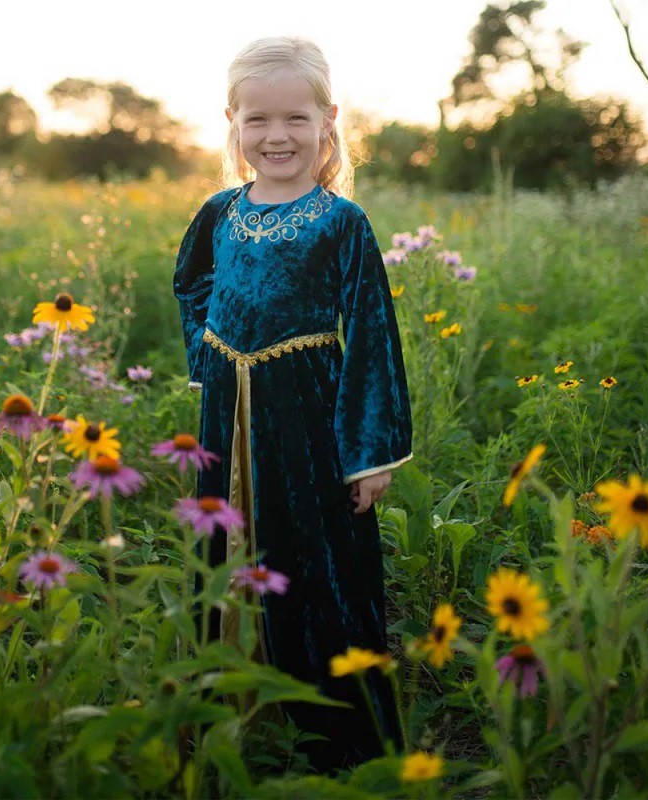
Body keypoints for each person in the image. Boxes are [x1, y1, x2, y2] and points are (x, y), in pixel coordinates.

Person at [172, 36, 413, 773]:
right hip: (228, 410)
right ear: (232, 123)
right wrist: (212, 361)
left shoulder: (341, 222)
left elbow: (371, 334)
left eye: (295, 119)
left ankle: (333, 735)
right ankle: (235, 706)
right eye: (258, 121)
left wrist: (368, 455)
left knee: (311, 558)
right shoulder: (220, 211)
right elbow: (192, 285)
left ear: (328, 120)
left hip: (306, 420)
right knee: (229, 545)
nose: (276, 136)